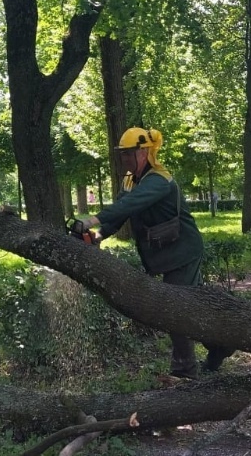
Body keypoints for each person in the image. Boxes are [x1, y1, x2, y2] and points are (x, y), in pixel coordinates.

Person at [71, 127, 233, 377]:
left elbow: (131, 203)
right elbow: (123, 212)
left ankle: (185, 370)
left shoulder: (159, 179)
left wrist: (91, 220)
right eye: (122, 154)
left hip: (182, 252)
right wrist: (99, 234)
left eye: (129, 154)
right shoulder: (130, 180)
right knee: (194, 307)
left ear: (144, 152)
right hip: (165, 254)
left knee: (175, 308)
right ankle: (220, 346)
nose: (124, 159)